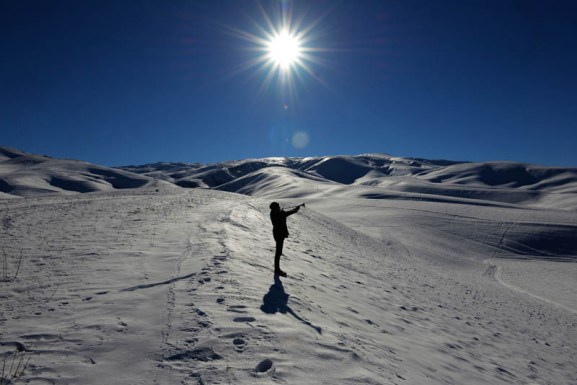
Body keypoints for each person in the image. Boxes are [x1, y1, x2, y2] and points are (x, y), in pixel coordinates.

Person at [269, 202, 302, 277]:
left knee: (278, 252)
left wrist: (281, 211)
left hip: (278, 233)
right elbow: (287, 213)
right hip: (279, 234)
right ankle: (277, 269)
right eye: (277, 207)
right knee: (278, 252)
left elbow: (283, 214)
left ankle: (277, 268)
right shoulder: (278, 214)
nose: (279, 207)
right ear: (275, 208)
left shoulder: (273, 213)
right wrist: (295, 209)